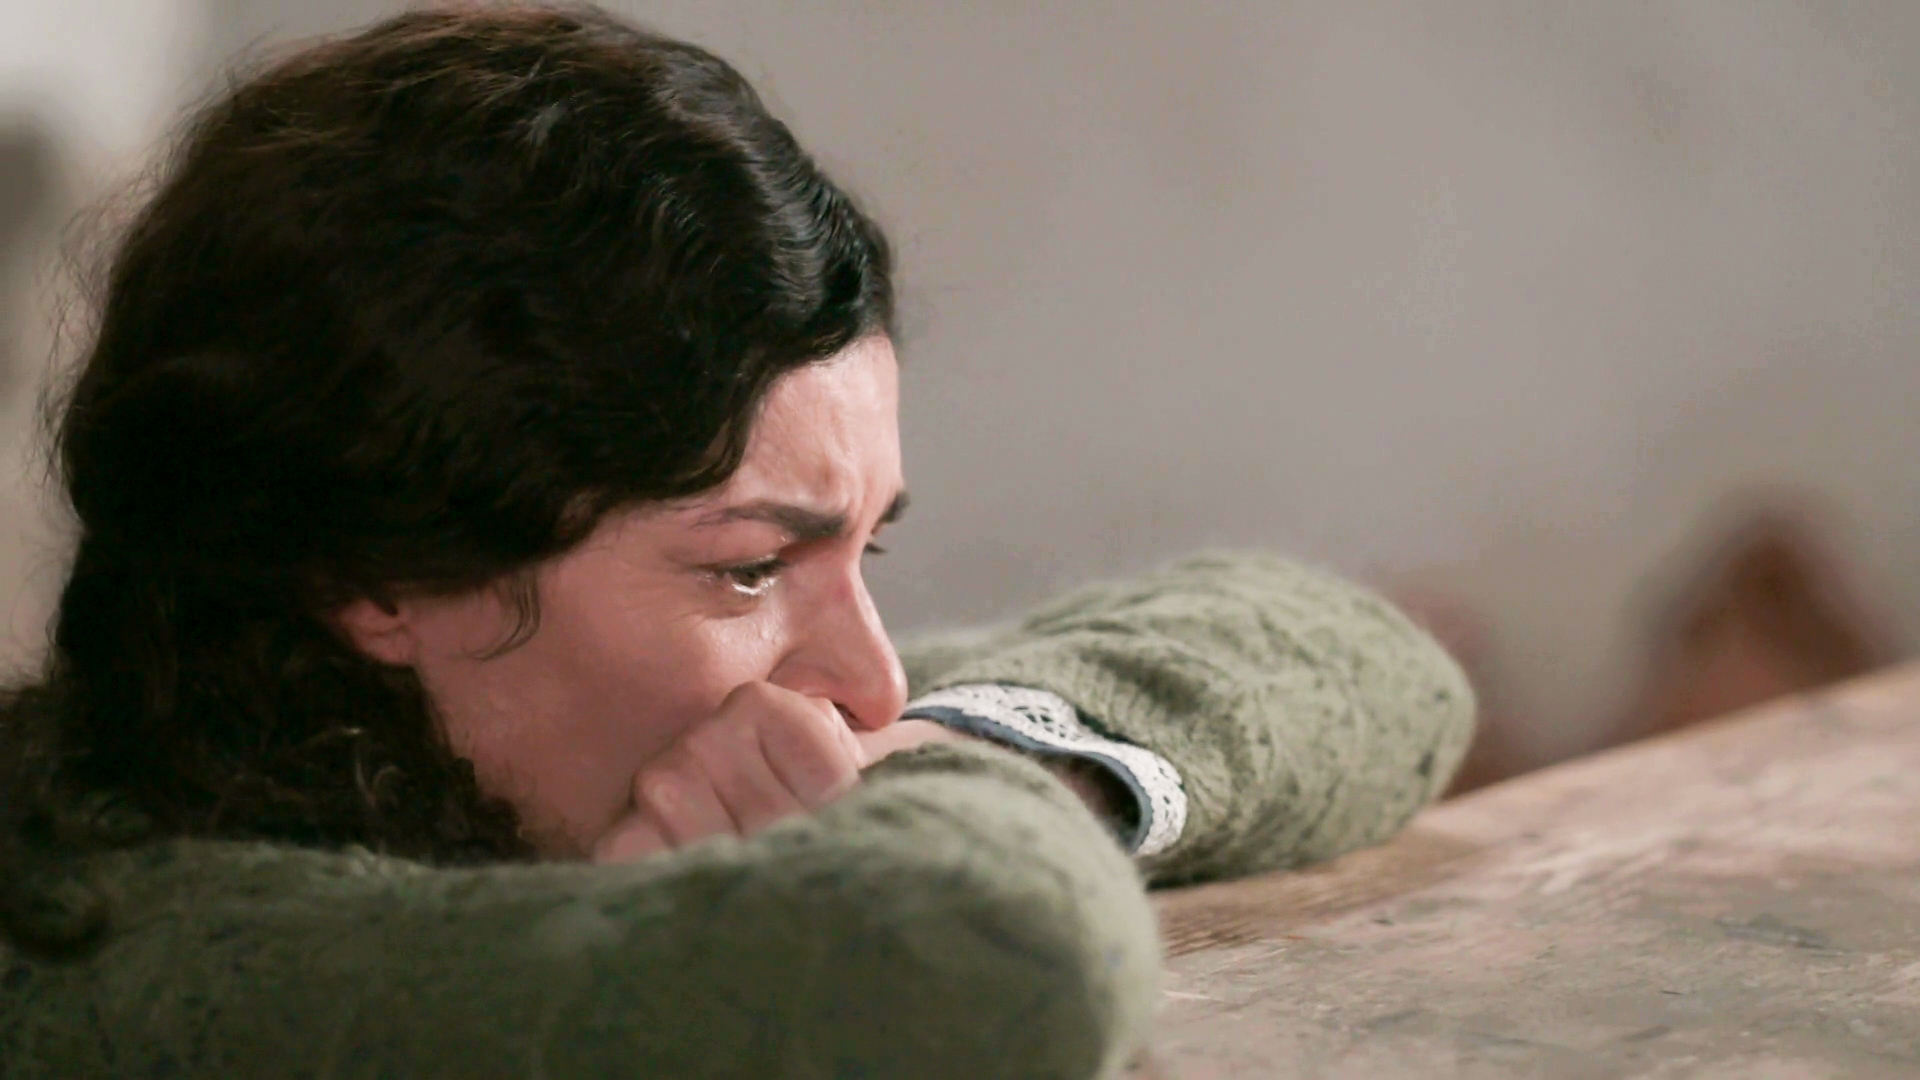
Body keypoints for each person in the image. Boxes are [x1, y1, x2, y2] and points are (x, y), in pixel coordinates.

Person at [0, 6, 1475, 1077]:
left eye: (864, 554)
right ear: (375, 573)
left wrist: (981, 749)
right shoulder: (131, 958)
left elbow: (1363, 659)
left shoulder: (527, 754)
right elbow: (995, 957)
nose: (869, 685)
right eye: (750, 570)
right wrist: (923, 810)